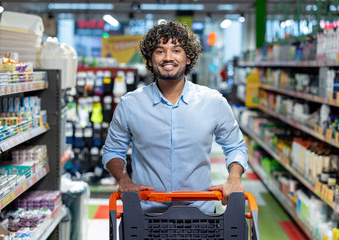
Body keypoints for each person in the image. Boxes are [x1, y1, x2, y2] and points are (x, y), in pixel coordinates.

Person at [102, 21, 248, 213]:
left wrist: (234, 179)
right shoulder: (130, 104)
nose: (168, 57)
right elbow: (113, 150)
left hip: (200, 214)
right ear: (150, 59)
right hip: (146, 214)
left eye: (176, 50)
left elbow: (235, 145)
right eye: (160, 51)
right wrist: (124, 180)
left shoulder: (213, 102)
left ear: (188, 58)